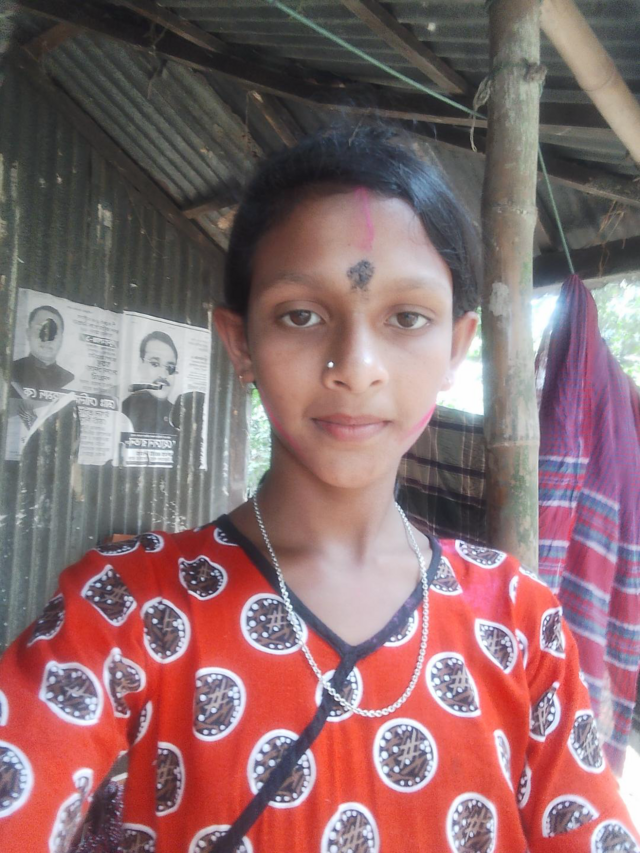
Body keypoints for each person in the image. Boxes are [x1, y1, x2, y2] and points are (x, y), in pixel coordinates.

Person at [0, 128, 637, 853]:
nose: (356, 367)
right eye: (300, 315)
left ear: (457, 348)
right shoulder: (126, 607)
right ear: (240, 342)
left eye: (407, 318)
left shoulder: (519, 622)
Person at [121, 330, 178, 435]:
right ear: (140, 365)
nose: (163, 375)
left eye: (170, 367)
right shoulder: (124, 411)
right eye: (155, 364)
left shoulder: (178, 415)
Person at [11, 305, 75, 392]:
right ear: (28, 333)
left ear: (61, 339)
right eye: (40, 330)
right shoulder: (11, 370)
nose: (47, 339)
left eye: (54, 332)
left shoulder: (70, 379)